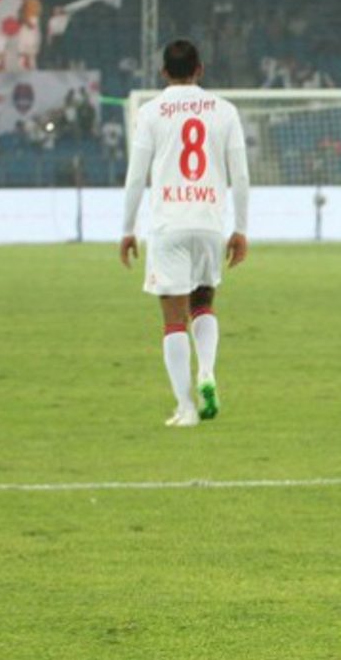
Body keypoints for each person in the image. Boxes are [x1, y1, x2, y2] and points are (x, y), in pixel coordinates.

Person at [120, 39, 250, 427]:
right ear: (200, 69)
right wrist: (241, 229)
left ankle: (186, 408)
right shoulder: (225, 111)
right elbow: (241, 176)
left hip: (169, 224)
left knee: (173, 320)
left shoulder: (150, 112)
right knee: (204, 302)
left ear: (164, 72)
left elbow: (135, 177)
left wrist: (127, 229)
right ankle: (206, 370)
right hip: (209, 222)